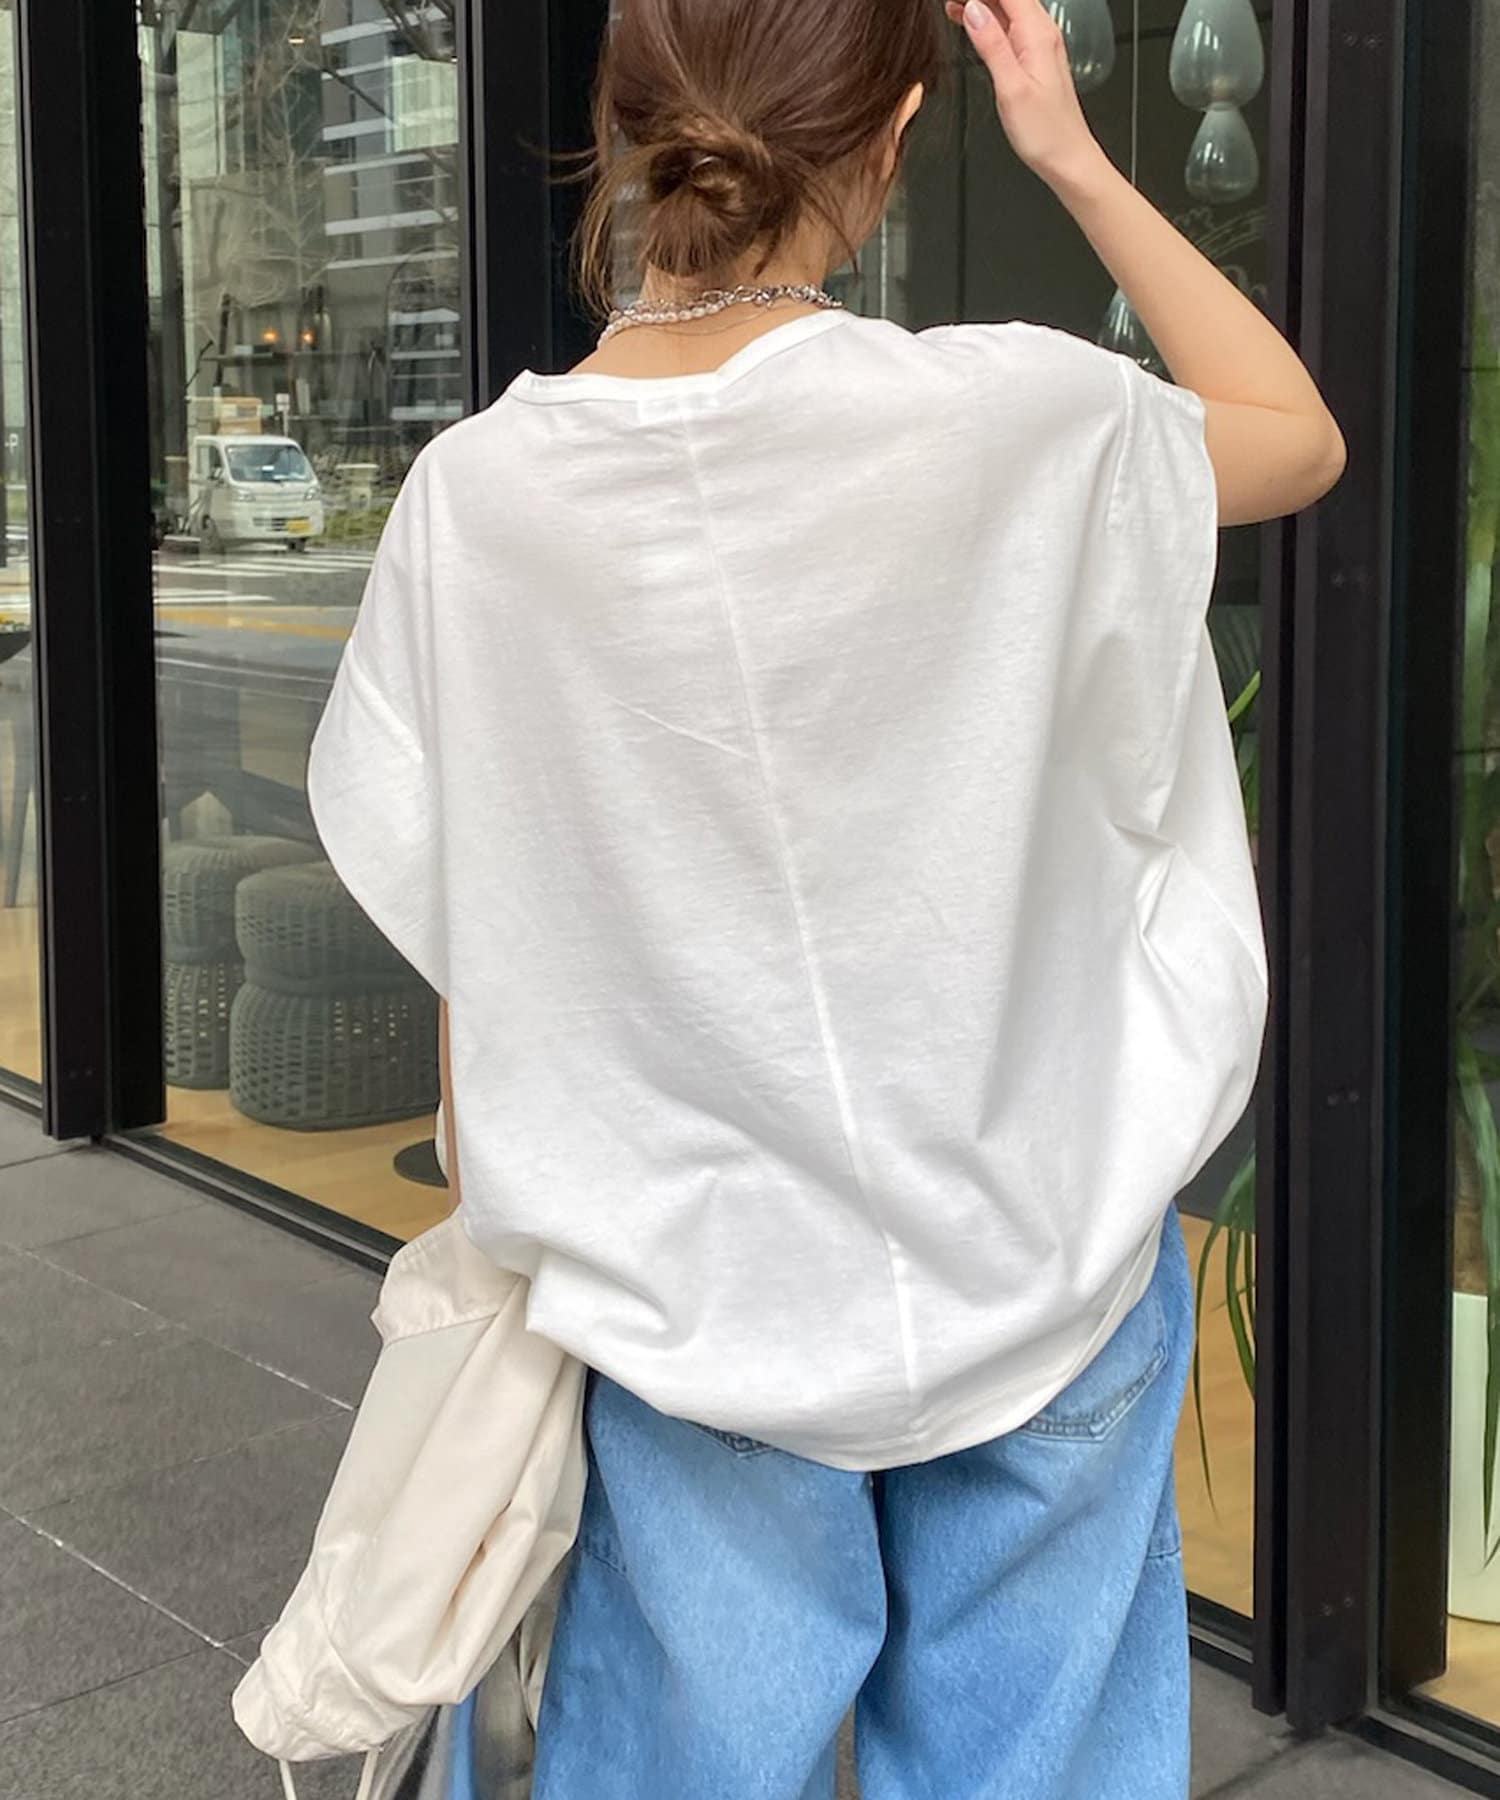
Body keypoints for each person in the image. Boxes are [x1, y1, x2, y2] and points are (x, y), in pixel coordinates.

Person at [306, 0, 1345, 1793]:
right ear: (894, 139)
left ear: (627, 125)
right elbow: (1293, 434)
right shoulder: (1019, 416)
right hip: (1040, 1249)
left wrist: (507, 1211)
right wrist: (1076, 160)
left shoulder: (475, 503)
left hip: (692, 1303)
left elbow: (479, 915)